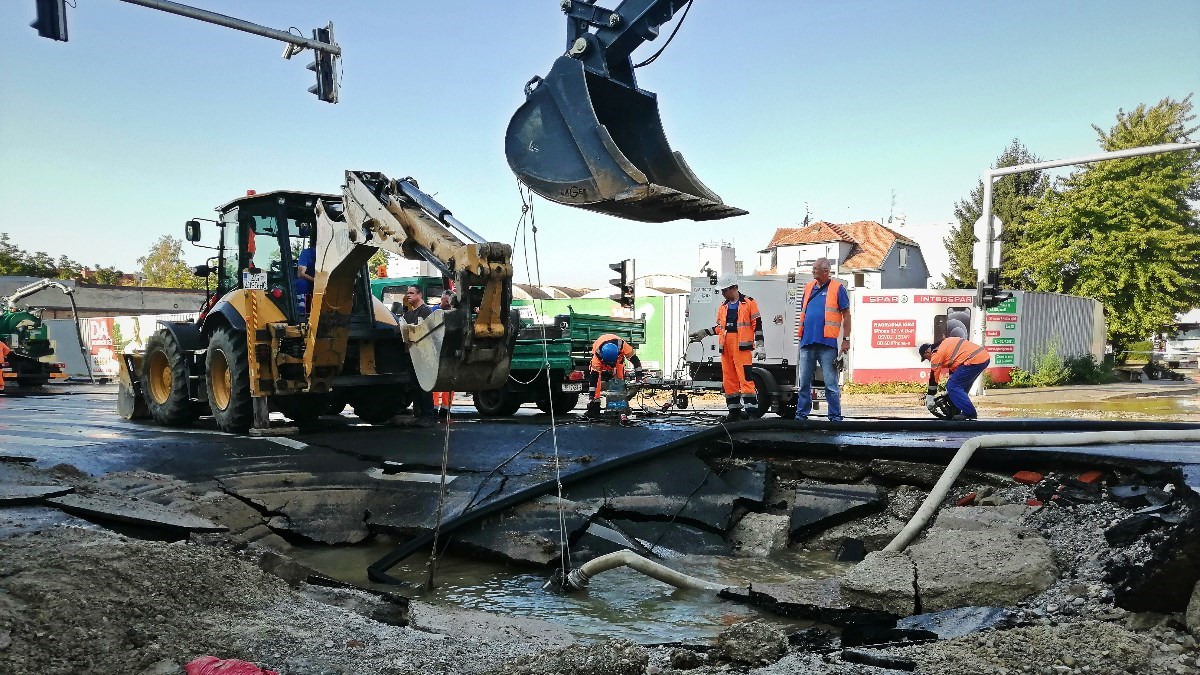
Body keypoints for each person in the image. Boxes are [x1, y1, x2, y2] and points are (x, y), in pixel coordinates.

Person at [688, 276, 763, 422]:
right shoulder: (723, 306)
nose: (722, 293)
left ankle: (752, 413)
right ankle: (734, 412)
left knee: (746, 379)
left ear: (733, 288)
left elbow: (757, 325)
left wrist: (760, 345)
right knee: (729, 380)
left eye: (724, 290)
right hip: (726, 346)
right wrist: (705, 332)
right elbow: (720, 328)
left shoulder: (749, 302)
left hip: (742, 346)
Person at [794, 258, 850, 421]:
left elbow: (846, 315)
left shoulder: (838, 288)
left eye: (815, 268)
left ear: (825, 271)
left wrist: (845, 339)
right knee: (804, 382)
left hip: (827, 343)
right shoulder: (808, 287)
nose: (813, 271)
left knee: (831, 384)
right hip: (807, 342)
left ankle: (835, 417)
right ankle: (801, 414)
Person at [920, 337, 990, 420]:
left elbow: (934, 376)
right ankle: (957, 411)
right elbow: (954, 370)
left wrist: (930, 396)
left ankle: (969, 413)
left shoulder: (936, 353)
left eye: (926, 357)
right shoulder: (944, 344)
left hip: (974, 359)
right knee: (959, 388)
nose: (928, 360)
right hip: (982, 357)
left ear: (927, 352)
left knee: (953, 386)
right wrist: (949, 394)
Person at [401, 285, 437, 425]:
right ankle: (419, 414)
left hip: (422, 355)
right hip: (411, 353)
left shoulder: (426, 312)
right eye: (407, 293)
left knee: (423, 385)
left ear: (420, 295)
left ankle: (428, 415)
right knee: (415, 385)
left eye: (411, 293)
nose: (408, 295)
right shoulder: (409, 314)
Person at [585, 333, 643, 417]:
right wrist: (591, 398)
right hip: (602, 355)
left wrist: (639, 378)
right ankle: (595, 405)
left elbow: (636, 361)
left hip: (618, 359)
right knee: (596, 381)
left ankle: (620, 404)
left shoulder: (623, 346)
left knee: (620, 379)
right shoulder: (597, 357)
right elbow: (594, 378)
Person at [430, 290, 455, 419]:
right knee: (437, 380)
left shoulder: (454, 312)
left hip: (448, 349)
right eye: (444, 300)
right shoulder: (434, 311)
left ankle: (445, 407)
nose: (446, 303)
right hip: (438, 349)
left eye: (447, 301)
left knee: (448, 380)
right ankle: (434, 406)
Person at [294, 239, 316, 315]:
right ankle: (300, 312)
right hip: (309, 283)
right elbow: (300, 274)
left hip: (321, 284)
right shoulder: (307, 253)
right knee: (301, 283)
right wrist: (316, 281)